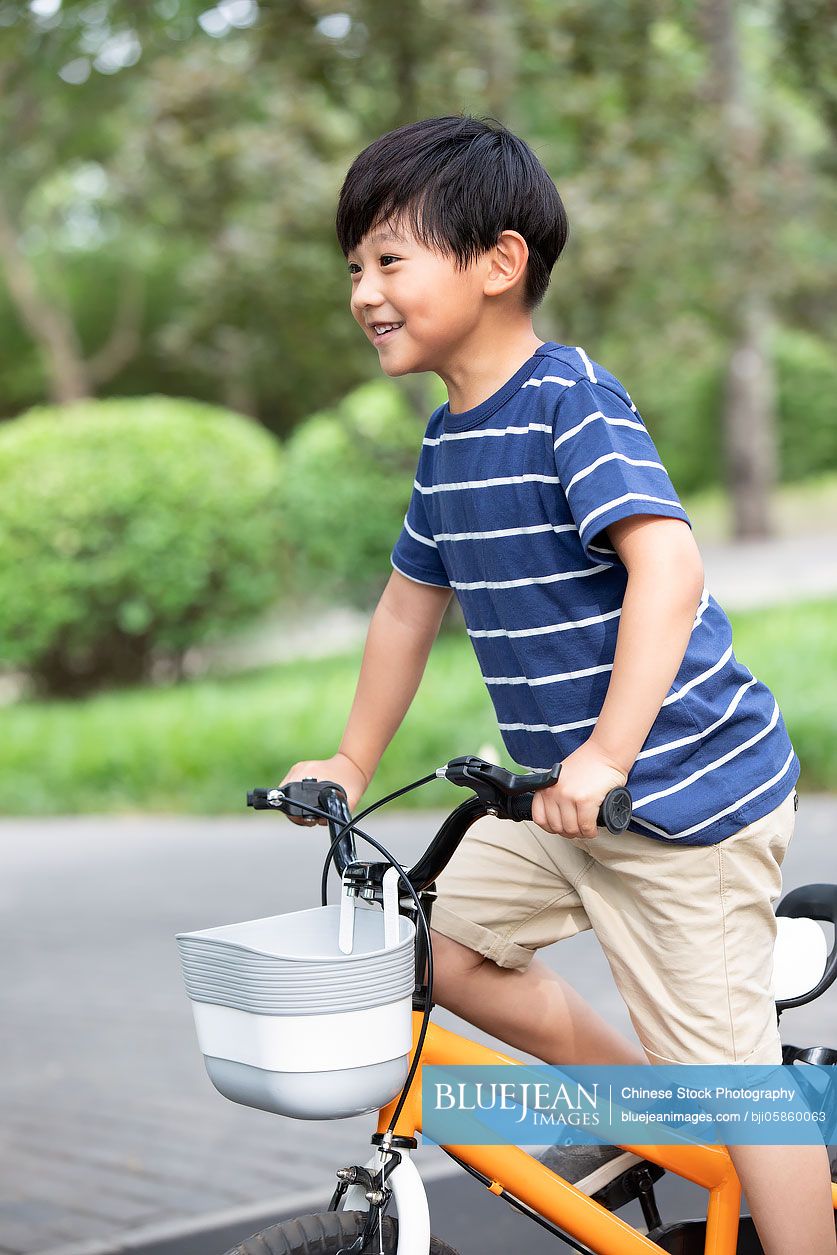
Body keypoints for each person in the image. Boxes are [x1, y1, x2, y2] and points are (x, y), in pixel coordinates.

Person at [282, 115, 835, 1253]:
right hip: (561, 805)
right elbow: (403, 609)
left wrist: (606, 755)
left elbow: (668, 566)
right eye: (355, 267)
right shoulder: (447, 445)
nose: (364, 291)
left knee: (738, 1087)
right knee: (435, 953)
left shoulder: (566, 398)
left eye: (391, 259)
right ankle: (651, 1118)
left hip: (682, 798)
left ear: (499, 261)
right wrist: (347, 762)